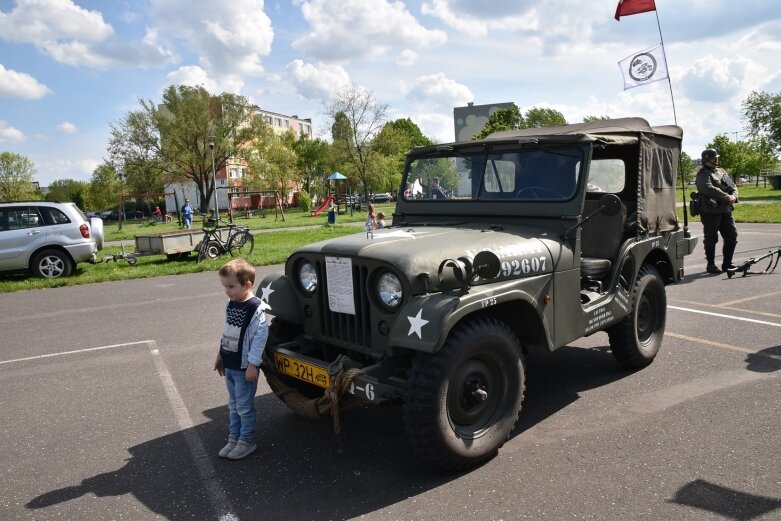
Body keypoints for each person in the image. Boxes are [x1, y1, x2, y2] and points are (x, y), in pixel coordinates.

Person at [213, 259, 268, 460]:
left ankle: (247, 440)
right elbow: (228, 332)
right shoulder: (231, 304)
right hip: (230, 363)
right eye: (224, 287)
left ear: (248, 285)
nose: (227, 291)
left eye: (231, 286)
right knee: (233, 404)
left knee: (244, 406)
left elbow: (259, 340)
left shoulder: (256, 310)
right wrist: (220, 355)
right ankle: (234, 437)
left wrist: (253, 365)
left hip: (245, 367)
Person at [695, 148, 739, 274]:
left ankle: (727, 264)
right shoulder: (703, 174)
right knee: (711, 238)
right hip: (710, 211)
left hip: (726, 209)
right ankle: (711, 265)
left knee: (732, 236)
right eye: (715, 158)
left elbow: (732, 185)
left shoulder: (721, 171)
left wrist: (734, 196)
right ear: (707, 159)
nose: (717, 160)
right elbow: (707, 188)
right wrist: (726, 197)